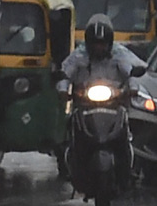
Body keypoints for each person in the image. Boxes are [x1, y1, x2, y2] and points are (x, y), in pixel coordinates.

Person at [58, 13, 146, 189]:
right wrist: (62, 89)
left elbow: (132, 70)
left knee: (128, 131)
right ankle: (70, 164)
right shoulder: (79, 55)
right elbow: (65, 72)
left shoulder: (119, 54)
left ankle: (128, 168)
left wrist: (133, 87)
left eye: (103, 43)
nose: (99, 47)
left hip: (114, 105)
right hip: (85, 106)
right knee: (69, 127)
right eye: (95, 44)